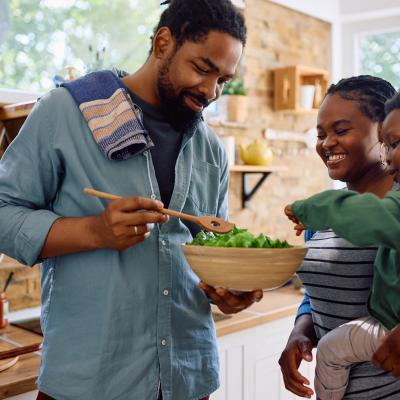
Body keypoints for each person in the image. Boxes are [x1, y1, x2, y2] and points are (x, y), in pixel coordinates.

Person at [0, 1, 263, 399]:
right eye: (202, 68)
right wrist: (95, 231)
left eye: (223, 79)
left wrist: (230, 287)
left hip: (189, 379)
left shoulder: (210, 148)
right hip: (89, 380)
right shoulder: (66, 112)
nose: (211, 91)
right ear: (163, 43)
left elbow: (212, 247)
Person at [278, 75, 400, 399]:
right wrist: (300, 331)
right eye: (321, 134)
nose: (327, 143)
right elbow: (314, 294)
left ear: (382, 130)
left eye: (341, 130)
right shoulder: (325, 214)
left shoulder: (394, 211)